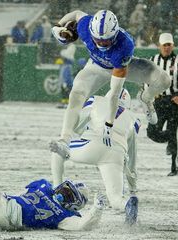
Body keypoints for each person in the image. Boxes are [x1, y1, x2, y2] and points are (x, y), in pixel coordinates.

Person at [50, 9, 171, 162]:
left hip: (120, 67)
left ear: (114, 36)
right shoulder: (85, 26)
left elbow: (114, 93)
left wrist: (109, 123)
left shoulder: (124, 46)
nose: (100, 43)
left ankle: (145, 97)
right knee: (75, 95)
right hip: (96, 66)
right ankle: (64, 141)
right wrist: (58, 26)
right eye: (97, 40)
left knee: (164, 80)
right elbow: (76, 13)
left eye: (105, 41)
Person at [50, 88, 140, 225]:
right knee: (115, 199)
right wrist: (132, 187)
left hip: (92, 145)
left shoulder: (96, 100)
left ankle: (56, 190)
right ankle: (127, 203)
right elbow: (132, 157)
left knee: (58, 151)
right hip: (116, 154)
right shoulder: (134, 119)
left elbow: (76, 125)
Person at [146, 33, 178, 176]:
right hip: (159, 101)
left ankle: (176, 167)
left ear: (173, 46)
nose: (167, 48)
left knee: (174, 133)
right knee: (152, 132)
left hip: (174, 102)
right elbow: (146, 79)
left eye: (169, 45)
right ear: (159, 46)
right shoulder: (153, 61)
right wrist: (148, 95)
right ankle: (171, 139)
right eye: (164, 45)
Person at [57, 44, 76, 108]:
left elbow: (67, 75)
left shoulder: (67, 66)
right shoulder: (65, 65)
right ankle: (64, 103)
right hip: (66, 82)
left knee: (66, 93)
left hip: (67, 83)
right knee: (65, 93)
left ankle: (67, 103)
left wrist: (66, 82)